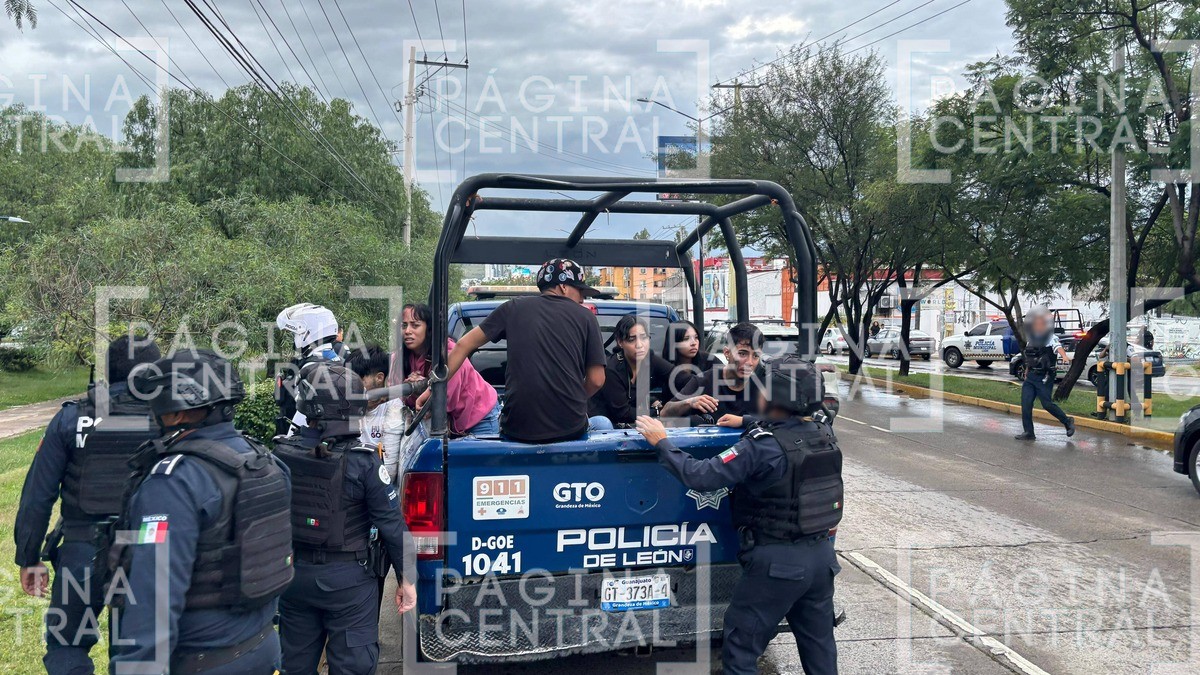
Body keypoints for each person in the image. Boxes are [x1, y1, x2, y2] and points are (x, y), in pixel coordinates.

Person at [634, 355, 842, 675]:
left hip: (778, 566)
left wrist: (662, 442)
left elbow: (701, 476)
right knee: (819, 650)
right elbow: (790, 434)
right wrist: (744, 421)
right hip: (821, 561)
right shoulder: (824, 432)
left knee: (741, 649)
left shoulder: (761, 447)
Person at [110, 349, 294, 673]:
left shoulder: (173, 482)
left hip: (203, 662)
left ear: (177, 412)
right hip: (264, 648)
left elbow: (153, 599)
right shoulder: (265, 462)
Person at [12, 335, 161, 675]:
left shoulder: (70, 419)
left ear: (107, 371)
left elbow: (37, 495)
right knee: (140, 656)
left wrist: (29, 558)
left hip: (83, 552)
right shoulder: (170, 421)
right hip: (146, 552)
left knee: (68, 645)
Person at [273, 363, 418, 675]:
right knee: (352, 667)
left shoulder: (280, 455)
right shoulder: (363, 462)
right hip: (348, 583)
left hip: (292, 578)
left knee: (293, 665)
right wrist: (407, 579)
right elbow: (392, 526)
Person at [416, 258, 607, 443]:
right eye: (580, 291)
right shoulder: (586, 317)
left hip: (517, 429)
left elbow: (463, 345)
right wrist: (570, 400)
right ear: (563, 287)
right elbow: (597, 380)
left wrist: (433, 389)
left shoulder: (513, 308)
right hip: (570, 429)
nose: (583, 298)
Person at [399, 303, 500, 436]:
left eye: (415, 325)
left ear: (429, 328)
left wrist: (422, 389)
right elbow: (401, 398)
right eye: (404, 325)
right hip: (452, 424)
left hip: (480, 418)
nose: (407, 331)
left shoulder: (449, 353)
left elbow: (445, 398)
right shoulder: (404, 358)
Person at [661, 322, 764, 425]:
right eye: (742, 354)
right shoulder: (704, 380)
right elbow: (665, 412)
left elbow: (778, 420)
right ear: (727, 353)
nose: (749, 362)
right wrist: (689, 402)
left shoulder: (762, 385)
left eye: (756, 356)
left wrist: (742, 421)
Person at [275, 302, 349, 435]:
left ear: (308, 333)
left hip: (312, 439)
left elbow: (301, 415)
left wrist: (289, 439)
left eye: (296, 334)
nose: (295, 339)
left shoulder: (310, 367)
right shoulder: (339, 361)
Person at [590, 314, 677, 427]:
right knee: (603, 424)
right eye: (632, 339)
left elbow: (679, 377)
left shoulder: (650, 359)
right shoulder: (612, 369)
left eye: (644, 337)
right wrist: (660, 412)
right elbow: (623, 413)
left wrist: (679, 404)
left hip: (627, 426)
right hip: (600, 427)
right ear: (620, 342)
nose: (640, 345)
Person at [1015, 307, 1076, 440]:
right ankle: (1029, 432)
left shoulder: (1050, 337)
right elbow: (1031, 356)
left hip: (1045, 376)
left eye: (1040, 322)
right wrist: (1027, 370)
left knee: (1046, 404)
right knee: (1026, 403)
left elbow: (1057, 347)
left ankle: (1067, 422)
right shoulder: (1032, 339)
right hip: (1031, 376)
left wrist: (1064, 356)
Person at [347, 344, 406, 479]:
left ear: (379, 378)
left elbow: (389, 471)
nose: (351, 387)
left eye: (358, 381)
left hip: (377, 484)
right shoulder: (347, 403)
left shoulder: (393, 407)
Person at [669, 320, 720, 397]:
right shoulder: (665, 365)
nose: (694, 343)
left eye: (696, 338)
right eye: (686, 339)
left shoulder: (710, 361)